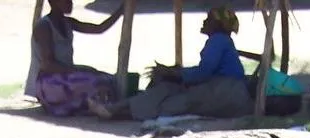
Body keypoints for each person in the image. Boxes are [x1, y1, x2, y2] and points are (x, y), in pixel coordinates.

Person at [87, 6, 251, 122]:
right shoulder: (222, 41)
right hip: (226, 91)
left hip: (225, 93)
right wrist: (177, 72)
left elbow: (203, 73)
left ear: (217, 25)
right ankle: (114, 110)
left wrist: (174, 73)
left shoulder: (218, 40)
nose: (204, 21)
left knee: (171, 103)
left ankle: (114, 111)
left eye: (208, 19)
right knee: (168, 95)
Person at [25, 0, 125, 116]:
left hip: (64, 77)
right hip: (47, 84)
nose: (70, 2)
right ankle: (100, 108)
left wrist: (122, 9)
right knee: (96, 82)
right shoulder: (44, 27)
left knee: (108, 78)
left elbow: (99, 29)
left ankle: (98, 106)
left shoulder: (67, 23)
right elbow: (47, 65)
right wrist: (79, 70)